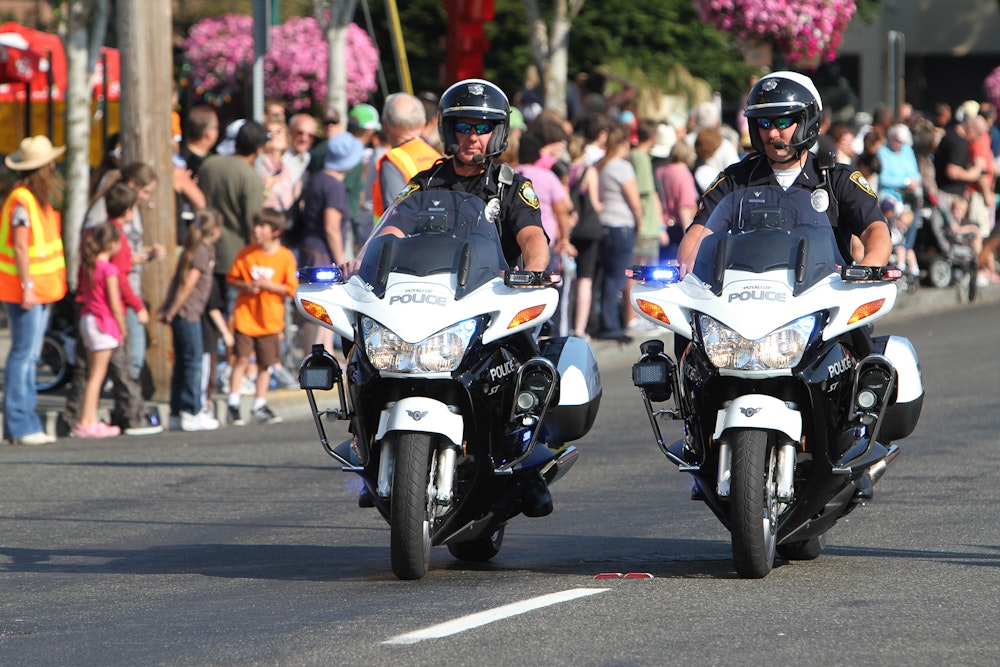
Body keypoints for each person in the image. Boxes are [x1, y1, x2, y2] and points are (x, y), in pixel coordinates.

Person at [379, 78, 552, 516]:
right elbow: (392, 229)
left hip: (488, 299)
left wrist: (532, 272)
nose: (471, 136)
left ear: (497, 131)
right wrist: (368, 260)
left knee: (529, 364)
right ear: (448, 129)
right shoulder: (426, 182)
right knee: (365, 342)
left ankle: (528, 465)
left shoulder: (511, 185)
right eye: (461, 126)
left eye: (480, 127)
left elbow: (532, 236)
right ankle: (368, 436)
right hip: (425, 299)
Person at [679, 71, 892, 276]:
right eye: (763, 123)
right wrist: (689, 263)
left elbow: (876, 230)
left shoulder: (837, 179)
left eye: (782, 122)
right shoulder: (735, 180)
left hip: (824, 298)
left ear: (807, 122)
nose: (772, 133)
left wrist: (868, 267)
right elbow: (699, 233)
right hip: (745, 300)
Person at [66, 182, 163, 436]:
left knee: (87, 371)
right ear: (128, 210)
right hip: (106, 317)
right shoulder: (114, 239)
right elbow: (120, 282)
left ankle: (78, 417)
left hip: (88, 312)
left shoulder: (94, 237)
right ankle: (130, 417)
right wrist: (134, 310)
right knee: (121, 369)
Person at [0, 135, 67, 446]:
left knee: (29, 354)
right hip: (25, 289)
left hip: (38, 288)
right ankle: (20, 422)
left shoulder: (32, 199)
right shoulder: (24, 200)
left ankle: (24, 421)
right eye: (50, 162)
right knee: (24, 355)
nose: (54, 166)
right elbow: (21, 247)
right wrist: (27, 286)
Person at [225, 208, 299, 426]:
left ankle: (259, 403)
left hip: (270, 320)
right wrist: (245, 285)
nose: (256, 230)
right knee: (240, 358)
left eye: (262, 227)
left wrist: (269, 286)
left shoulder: (285, 256)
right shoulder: (246, 253)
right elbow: (232, 278)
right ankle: (233, 402)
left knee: (265, 364)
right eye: (255, 225)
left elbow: (292, 289)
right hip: (245, 316)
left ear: (275, 231)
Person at [297, 131, 364, 355]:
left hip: (309, 247)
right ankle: (317, 357)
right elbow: (331, 226)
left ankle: (317, 355)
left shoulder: (316, 178)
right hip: (323, 254)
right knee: (322, 308)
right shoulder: (334, 186)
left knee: (316, 307)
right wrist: (340, 261)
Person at [159, 209, 223, 432]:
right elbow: (187, 284)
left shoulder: (191, 249)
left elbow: (176, 281)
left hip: (182, 313)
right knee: (193, 363)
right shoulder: (202, 251)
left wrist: (168, 307)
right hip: (188, 313)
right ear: (215, 231)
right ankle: (192, 410)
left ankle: (177, 413)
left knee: (182, 364)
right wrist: (172, 309)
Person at [198, 120, 268, 311]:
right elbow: (253, 223)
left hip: (204, 249)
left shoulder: (209, 165)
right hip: (234, 258)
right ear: (259, 149)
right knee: (230, 316)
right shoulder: (250, 177)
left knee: (208, 315)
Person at [74, 222, 126, 439]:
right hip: (103, 321)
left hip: (87, 318)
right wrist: (122, 328)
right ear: (113, 244)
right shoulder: (109, 269)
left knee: (92, 374)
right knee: (98, 374)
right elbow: (114, 302)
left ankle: (88, 419)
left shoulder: (89, 265)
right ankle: (88, 421)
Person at [594, 122, 643, 341]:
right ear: (624, 143)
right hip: (621, 224)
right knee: (617, 278)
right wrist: (639, 222)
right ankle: (611, 325)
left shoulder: (600, 165)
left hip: (603, 224)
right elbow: (634, 200)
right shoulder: (622, 166)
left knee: (606, 276)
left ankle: (607, 321)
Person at [373, 92, 442, 217]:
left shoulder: (393, 161)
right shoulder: (436, 156)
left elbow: (395, 217)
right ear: (423, 123)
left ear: (385, 126)